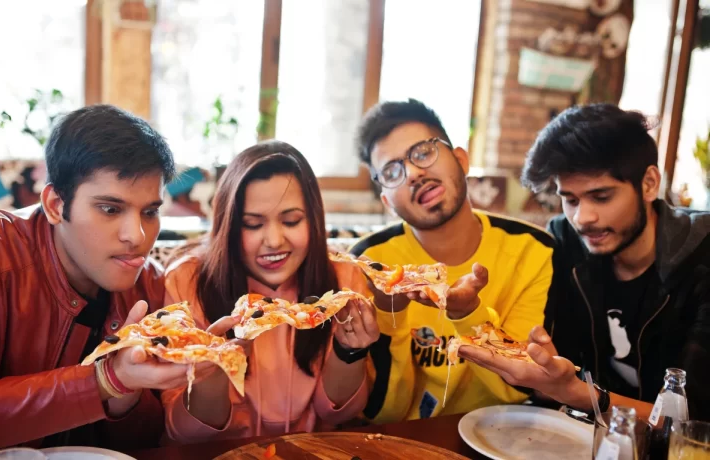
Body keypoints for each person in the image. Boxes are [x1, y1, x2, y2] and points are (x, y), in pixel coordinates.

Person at [0, 105, 193, 457]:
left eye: (150, 212)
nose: (137, 236)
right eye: (110, 209)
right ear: (56, 205)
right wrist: (106, 379)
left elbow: (144, 445)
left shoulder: (147, 283)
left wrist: (127, 394)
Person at [459, 103, 710, 422]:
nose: (583, 218)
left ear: (648, 184)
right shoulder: (564, 243)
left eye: (601, 197)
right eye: (571, 200)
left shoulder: (702, 257)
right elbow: (553, 369)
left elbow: (696, 425)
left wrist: (580, 394)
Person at [350, 99, 554, 423]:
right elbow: (382, 412)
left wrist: (467, 314)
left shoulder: (534, 251)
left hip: (504, 438)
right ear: (388, 201)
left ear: (460, 159)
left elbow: (519, 388)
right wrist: (393, 312)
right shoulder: (370, 263)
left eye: (422, 152)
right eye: (392, 171)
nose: (414, 173)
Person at [161, 140, 379, 442]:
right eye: (253, 224)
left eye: (291, 221)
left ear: (314, 220)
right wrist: (213, 374)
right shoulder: (187, 282)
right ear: (228, 225)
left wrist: (349, 352)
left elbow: (336, 414)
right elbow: (187, 435)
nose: (274, 240)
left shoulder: (343, 278)